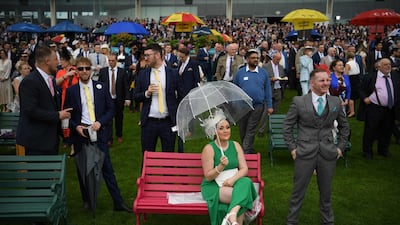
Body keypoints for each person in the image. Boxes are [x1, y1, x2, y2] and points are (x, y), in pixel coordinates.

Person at [63, 57, 132, 212]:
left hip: (99, 133)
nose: (84, 71)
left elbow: (111, 110)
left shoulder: (102, 87)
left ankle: (118, 201)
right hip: (81, 134)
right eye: (80, 69)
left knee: (107, 168)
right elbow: (68, 116)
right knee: (83, 169)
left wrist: (100, 122)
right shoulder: (71, 91)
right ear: (77, 71)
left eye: (87, 68)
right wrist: (77, 127)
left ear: (91, 69)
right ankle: (87, 200)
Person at [283, 68, 350, 225]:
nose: (326, 83)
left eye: (327, 80)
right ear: (312, 83)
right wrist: (293, 149)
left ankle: (328, 222)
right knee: (298, 192)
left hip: (328, 153)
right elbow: (287, 127)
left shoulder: (335, 102)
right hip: (304, 153)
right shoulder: (299, 102)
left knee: (326, 193)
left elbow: (345, 127)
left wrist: (340, 148)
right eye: (322, 80)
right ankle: (291, 221)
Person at [201, 109, 258, 225]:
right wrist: (220, 166)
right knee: (244, 195)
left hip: (233, 182)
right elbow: (208, 177)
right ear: (214, 131)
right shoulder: (209, 149)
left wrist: (232, 180)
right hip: (215, 186)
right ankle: (233, 218)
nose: (226, 131)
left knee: (246, 182)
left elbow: (244, 169)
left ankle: (232, 215)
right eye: (221, 128)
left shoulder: (236, 145)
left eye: (227, 127)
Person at [16, 45, 72, 155]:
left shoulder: (50, 79)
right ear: (47, 61)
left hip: (51, 138)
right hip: (36, 140)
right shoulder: (30, 82)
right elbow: (31, 110)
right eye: (56, 59)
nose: (58, 63)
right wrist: (57, 115)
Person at [133, 44, 183, 153]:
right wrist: (146, 93)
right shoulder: (143, 74)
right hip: (149, 122)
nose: (145, 58)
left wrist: (179, 118)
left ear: (157, 55)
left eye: (148, 55)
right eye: (145, 55)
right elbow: (136, 96)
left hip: (168, 122)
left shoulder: (173, 73)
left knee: (168, 156)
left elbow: (181, 97)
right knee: (147, 156)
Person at [233, 49, 273, 154]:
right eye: (253, 58)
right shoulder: (240, 73)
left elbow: (268, 90)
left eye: (257, 58)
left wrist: (269, 106)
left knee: (251, 128)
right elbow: (234, 89)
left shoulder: (263, 73)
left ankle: (245, 151)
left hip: (258, 106)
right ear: (247, 59)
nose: (255, 60)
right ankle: (248, 148)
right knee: (243, 128)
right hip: (242, 106)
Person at [358, 58, 399, 159]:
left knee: (387, 130)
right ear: (379, 66)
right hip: (374, 108)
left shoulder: (395, 76)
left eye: (389, 64)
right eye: (385, 64)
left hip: (390, 108)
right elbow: (361, 89)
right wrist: (364, 98)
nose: (388, 66)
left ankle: (383, 150)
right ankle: (367, 151)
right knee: (371, 130)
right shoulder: (371, 77)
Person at [98, 54, 131, 144]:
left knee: (119, 118)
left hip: (118, 98)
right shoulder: (103, 72)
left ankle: (119, 134)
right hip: (107, 99)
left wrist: (127, 98)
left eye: (113, 61)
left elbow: (126, 86)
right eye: (109, 61)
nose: (111, 62)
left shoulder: (122, 72)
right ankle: (109, 138)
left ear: (116, 61)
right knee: (108, 119)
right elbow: (99, 85)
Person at [176, 46, 200, 153]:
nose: (180, 59)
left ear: (186, 55)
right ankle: (182, 127)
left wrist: (194, 92)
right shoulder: (180, 64)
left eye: (182, 57)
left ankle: (191, 129)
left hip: (190, 92)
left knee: (190, 111)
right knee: (182, 110)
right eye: (179, 57)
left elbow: (197, 79)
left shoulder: (193, 64)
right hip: (181, 92)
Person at [258, 51, 286, 137]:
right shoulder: (266, 67)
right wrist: (271, 79)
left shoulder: (281, 67)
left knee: (275, 111)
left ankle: (273, 128)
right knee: (266, 110)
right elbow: (262, 79)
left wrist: (283, 79)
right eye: (277, 59)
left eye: (279, 59)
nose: (278, 61)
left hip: (278, 90)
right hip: (269, 90)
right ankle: (261, 130)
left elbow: (282, 76)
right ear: (273, 58)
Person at [343, 52, 360, 117]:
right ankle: (350, 110)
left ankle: (352, 112)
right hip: (357, 79)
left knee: (350, 96)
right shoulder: (356, 63)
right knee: (353, 96)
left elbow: (345, 73)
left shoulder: (348, 64)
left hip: (351, 79)